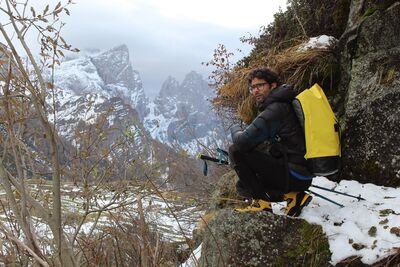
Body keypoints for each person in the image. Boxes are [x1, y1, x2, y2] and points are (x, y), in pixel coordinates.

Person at [229, 68, 312, 216]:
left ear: (273, 85)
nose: (255, 91)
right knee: (243, 185)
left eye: (260, 85)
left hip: (293, 175)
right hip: (301, 173)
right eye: (252, 88)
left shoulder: (276, 109)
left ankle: (263, 202)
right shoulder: (283, 104)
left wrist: (235, 128)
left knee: (236, 151)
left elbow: (242, 143)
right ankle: (294, 196)